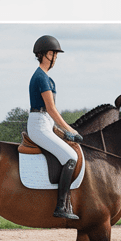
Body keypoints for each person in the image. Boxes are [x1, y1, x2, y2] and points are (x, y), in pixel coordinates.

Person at [27, 35, 83, 221]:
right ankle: (61, 206)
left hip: (45, 124)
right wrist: (70, 130)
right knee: (71, 157)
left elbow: (51, 115)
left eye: (56, 55)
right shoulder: (40, 78)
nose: (55, 58)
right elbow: (51, 109)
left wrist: (62, 132)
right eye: (53, 54)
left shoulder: (48, 79)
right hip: (39, 124)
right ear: (43, 54)